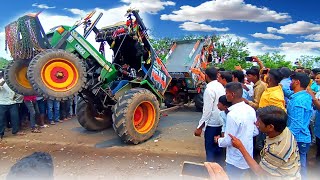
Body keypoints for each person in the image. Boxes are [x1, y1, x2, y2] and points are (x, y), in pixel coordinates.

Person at [229, 106, 301, 179]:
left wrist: (241, 147)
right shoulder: (284, 129)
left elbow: (260, 172)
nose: (256, 123)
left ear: (270, 127)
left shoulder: (276, 150)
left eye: (259, 122)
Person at [215, 82, 259, 179]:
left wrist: (218, 140)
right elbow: (255, 131)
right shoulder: (250, 110)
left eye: (227, 93)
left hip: (235, 158)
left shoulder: (232, 115)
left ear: (232, 94)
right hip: (248, 154)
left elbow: (228, 140)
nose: (226, 95)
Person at [194, 67, 225, 163]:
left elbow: (207, 111)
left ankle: (210, 171)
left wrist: (199, 127)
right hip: (221, 122)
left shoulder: (209, 89)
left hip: (212, 124)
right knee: (218, 149)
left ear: (206, 76)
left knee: (210, 149)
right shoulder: (220, 86)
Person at [287, 72, 313, 179]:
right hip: (302, 138)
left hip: (298, 139)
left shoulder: (298, 101)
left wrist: (285, 138)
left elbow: (296, 125)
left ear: (297, 82)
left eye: (292, 81)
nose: (290, 83)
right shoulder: (303, 96)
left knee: (299, 168)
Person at [0, 76, 25, 140]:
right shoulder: (1, 81)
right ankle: (1, 133)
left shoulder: (13, 81)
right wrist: (4, 81)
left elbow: (17, 91)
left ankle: (15, 131)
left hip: (12, 102)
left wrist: (16, 99)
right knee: (1, 119)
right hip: (2, 103)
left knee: (15, 117)